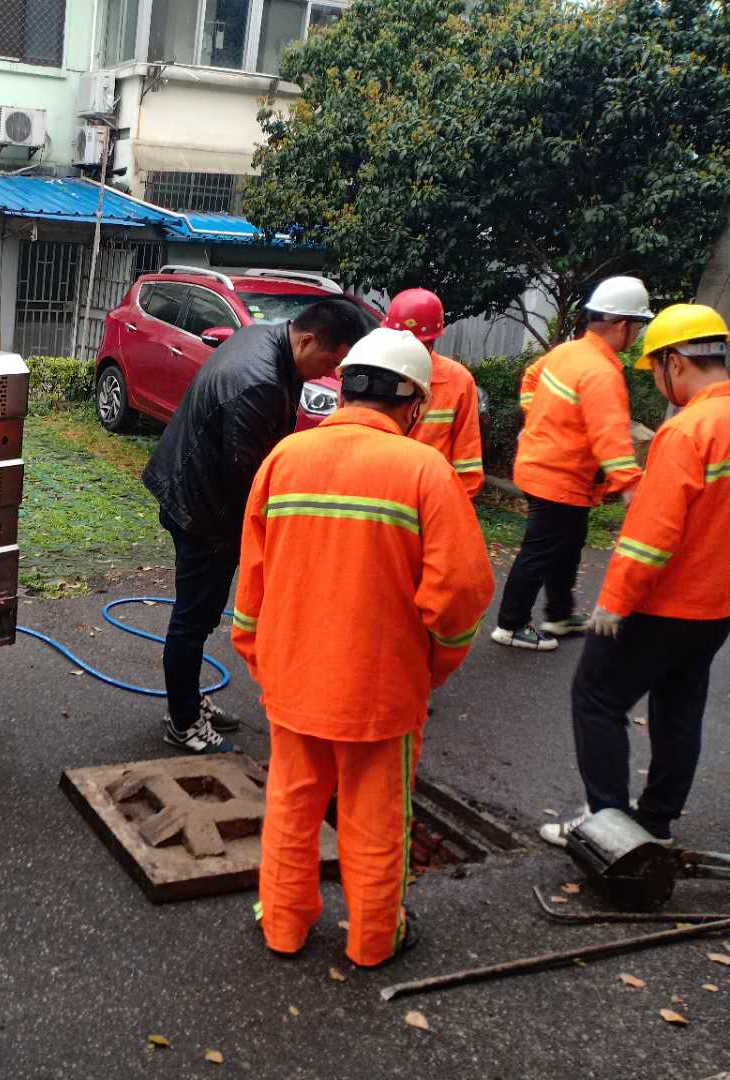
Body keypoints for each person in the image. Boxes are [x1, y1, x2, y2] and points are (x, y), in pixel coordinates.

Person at [231, 329, 494, 968]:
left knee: (292, 805)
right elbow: (459, 594)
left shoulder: (284, 460)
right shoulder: (424, 471)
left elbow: (252, 587)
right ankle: (374, 940)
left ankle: (284, 928)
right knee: (375, 817)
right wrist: (433, 668)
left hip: (292, 681)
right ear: (412, 405)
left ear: (343, 386)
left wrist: (263, 659)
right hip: (380, 693)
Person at [142, 298, 370, 754]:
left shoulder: (267, 336)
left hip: (195, 485)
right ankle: (183, 720)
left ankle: (186, 700)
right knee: (193, 618)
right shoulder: (260, 382)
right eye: (332, 359)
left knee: (199, 615)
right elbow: (250, 479)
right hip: (203, 508)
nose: (333, 372)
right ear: (306, 339)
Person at [540, 304, 730, 846]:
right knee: (679, 708)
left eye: (657, 369)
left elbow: (651, 535)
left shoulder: (688, 432)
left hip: (660, 605)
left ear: (675, 361)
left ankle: (609, 828)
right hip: (715, 607)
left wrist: (613, 604)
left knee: (596, 698)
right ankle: (656, 823)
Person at [492, 276, 652, 652]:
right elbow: (611, 435)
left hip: (548, 471)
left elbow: (531, 377)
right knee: (541, 550)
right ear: (619, 324)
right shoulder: (600, 371)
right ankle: (511, 624)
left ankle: (559, 615)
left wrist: (537, 415)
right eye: (637, 324)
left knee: (568, 546)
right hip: (559, 478)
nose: (637, 333)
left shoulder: (568, 353)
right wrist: (631, 485)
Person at [382, 288, 484, 498]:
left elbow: (468, 461)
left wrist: (456, 507)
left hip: (432, 498)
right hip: (381, 497)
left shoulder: (457, 380)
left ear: (431, 342)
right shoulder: (370, 374)